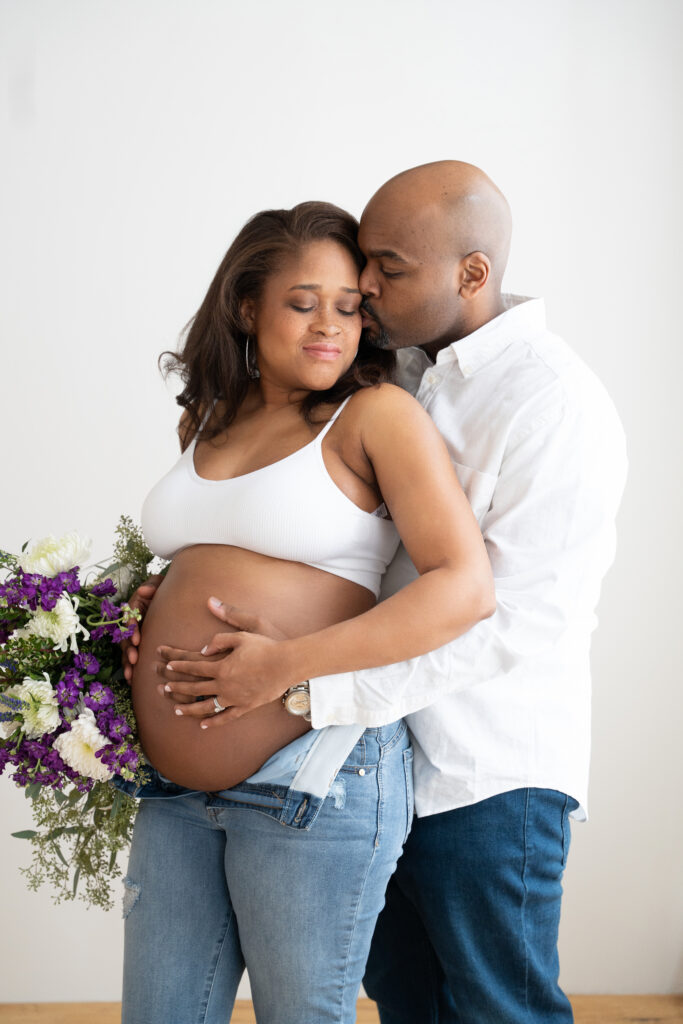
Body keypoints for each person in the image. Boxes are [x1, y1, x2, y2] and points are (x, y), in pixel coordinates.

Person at [149, 163, 627, 1023]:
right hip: (380, 752)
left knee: (499, 1006)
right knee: (407, 1001)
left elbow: (509, 615)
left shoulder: (552, 404)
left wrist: (304, 683)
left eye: (386, 268)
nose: (362, 290)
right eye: (358, 265)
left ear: (471, 274)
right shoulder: (395, 367)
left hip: (486, 769)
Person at [121, 199, 494, 1024]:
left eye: (348, 306)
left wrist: (279, 664)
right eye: (301, 303)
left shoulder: (375, 417)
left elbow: (462, 586)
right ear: (248, 307)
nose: (330, 326)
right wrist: (142, 622)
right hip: (174, 789)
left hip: (310, 771)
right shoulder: (205, 417)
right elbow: (205, 560)